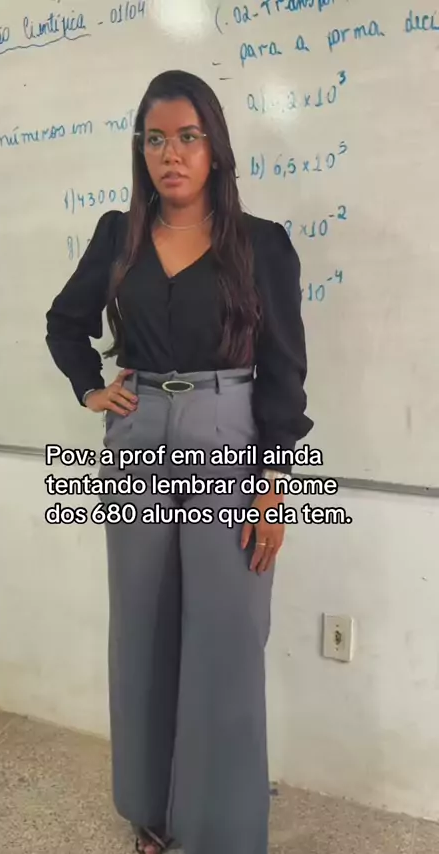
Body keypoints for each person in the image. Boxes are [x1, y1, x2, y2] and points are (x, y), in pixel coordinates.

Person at [45, 69, 313, 854]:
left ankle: (219, 829)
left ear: (214, 148)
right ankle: (153, 812)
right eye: (156, 139)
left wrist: (273, 487)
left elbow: (285, 371)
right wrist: (90, 388)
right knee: (142, 623)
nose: (172, 154)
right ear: (141, 150)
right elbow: (65, 322)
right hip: (137, 436)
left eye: (188, 137)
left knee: (226, 631)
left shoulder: (260, 244)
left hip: (228, 432)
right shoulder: (116, 236)